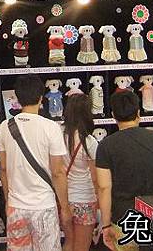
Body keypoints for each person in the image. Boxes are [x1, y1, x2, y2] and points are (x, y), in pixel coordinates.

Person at [0, 74, 72, 251]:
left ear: (17, 97)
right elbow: (58, 172)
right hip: (44, 206)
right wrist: (65, 207)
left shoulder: (5, 127)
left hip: (16, 206)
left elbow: (3, 169)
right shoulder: (51, 127)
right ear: (41, 97)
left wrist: (8, 200)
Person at [96, 91, 153, 251]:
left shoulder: (106, 146)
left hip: (125, 219)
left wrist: (105, 225)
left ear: (113, 115)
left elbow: (104, 187)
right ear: (138, 113)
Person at [62, 93, 99, 251]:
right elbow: (96, 178)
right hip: (85, 199)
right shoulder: (89, 142)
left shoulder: (58, 136)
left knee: (68, 243)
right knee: (82, 246)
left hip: (64, 199)